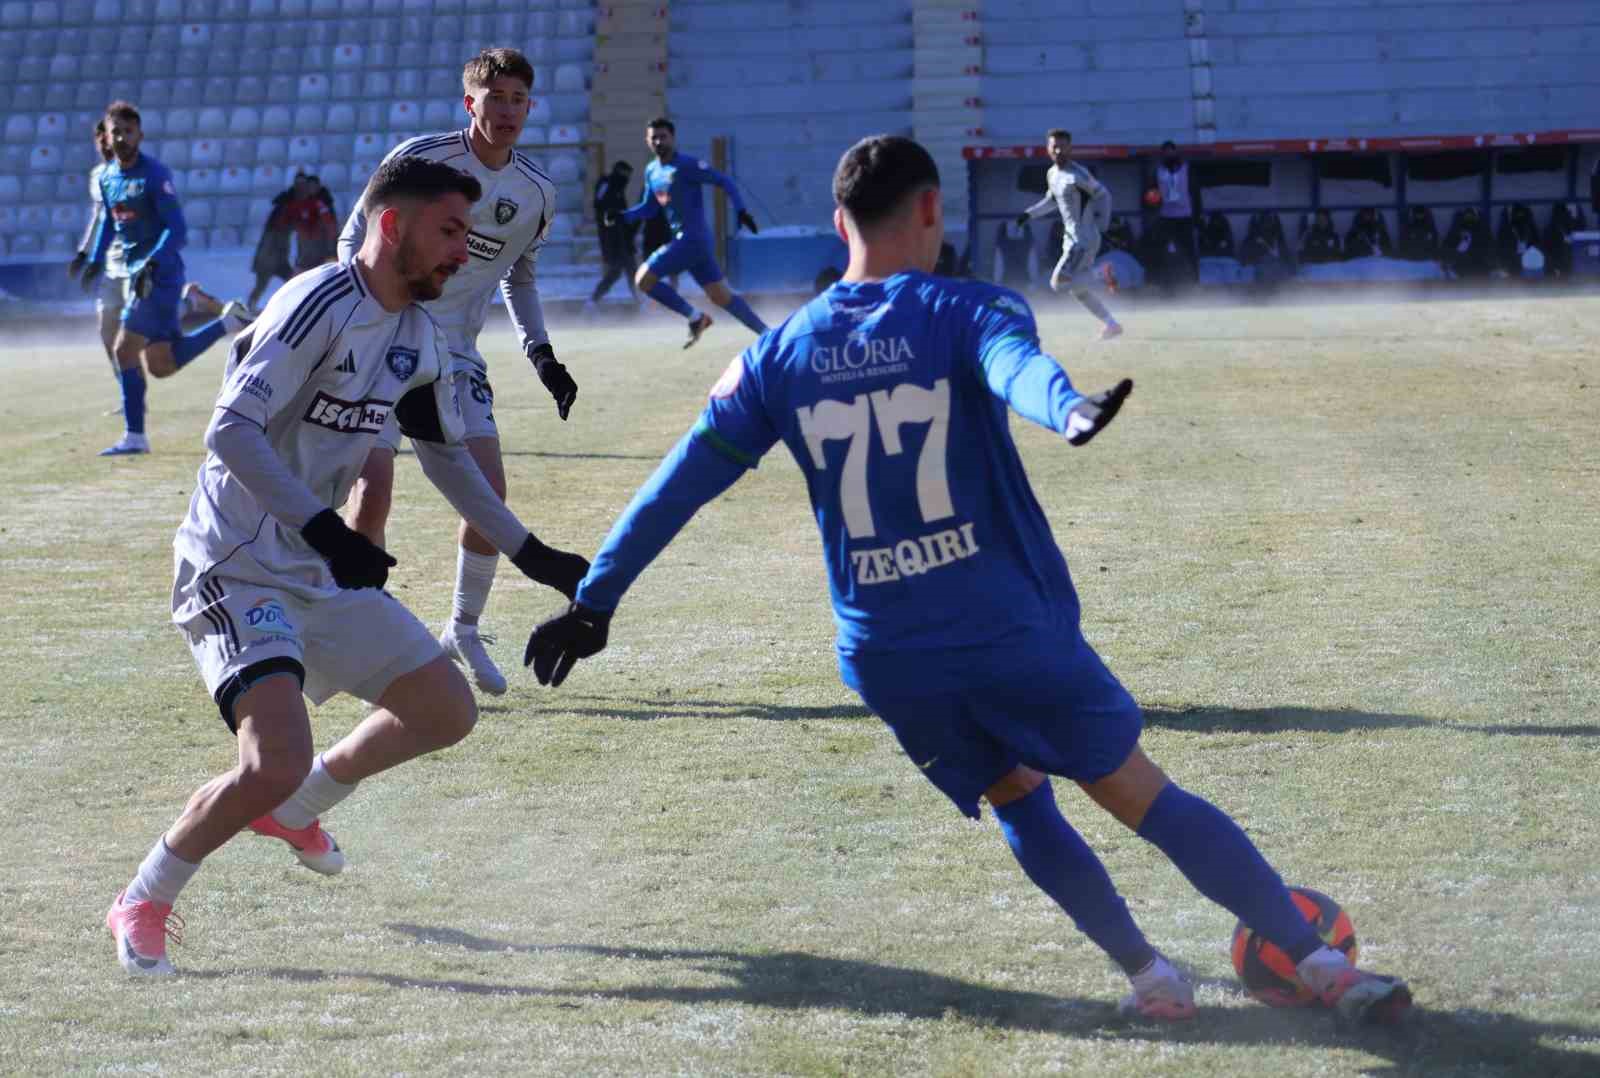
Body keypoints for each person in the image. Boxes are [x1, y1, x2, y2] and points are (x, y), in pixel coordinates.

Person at [523, 135, 1413, 1027]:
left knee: (1019, 796)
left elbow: (676, 484)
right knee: (1140, 793)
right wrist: (1065, 407)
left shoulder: (777, 355)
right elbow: (1014, 370)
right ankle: (1324, 969)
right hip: (1001, 629)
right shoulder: (967, 308)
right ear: (931, 211)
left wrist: (594, 602)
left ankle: (1151, 979)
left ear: (838, 225)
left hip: (886, 654)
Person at [103, 156, 591, 977]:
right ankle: (144, 897)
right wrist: (331, 533)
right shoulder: (317, 300)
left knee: (445, 708)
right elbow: (230, 432)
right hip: (237, 562)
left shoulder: (418, 335)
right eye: (448, 232)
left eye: (469, 238)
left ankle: (300, 808)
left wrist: (531, 552)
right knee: (270, 758)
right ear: (392, 225)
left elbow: (446, 457)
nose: (461, 254)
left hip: (315, 563)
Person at [338, 47, 579, 697]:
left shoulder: (535, 194)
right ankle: (366, 640)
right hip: (385, 336)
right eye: (493, 98)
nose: (506, 111)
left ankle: (462, 631)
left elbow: (520, 276)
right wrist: (357, 311)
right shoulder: (421, 161)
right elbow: (353, 234)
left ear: (530, 107)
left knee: (488, 492)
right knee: (372, 491)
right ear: (469, 102)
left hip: (456, 356)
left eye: (518, 100)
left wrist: (541, 353)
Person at [80, 101, 252, 457]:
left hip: (159, 277)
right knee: (161, 364)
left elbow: (178, 229)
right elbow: (111, 223)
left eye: (129, 131)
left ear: (140, 135)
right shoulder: (109, 177)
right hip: (137, 276)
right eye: (117, 132)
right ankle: (227, 323)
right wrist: (95, 259)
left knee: (123, 350)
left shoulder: (155, 175)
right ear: (108, 137)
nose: (123, 137)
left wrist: (152, 262)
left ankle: (135, 436)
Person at [615, 118, 768, 348]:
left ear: (673, 138)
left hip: (692, 239)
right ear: (647, 141)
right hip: (690, 244)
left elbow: (724, 180)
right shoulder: (652, 171)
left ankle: (696, 317)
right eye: (653, 137)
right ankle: (767, 334)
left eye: (663, 136)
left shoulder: (687, 165)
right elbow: (650, 207)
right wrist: (622, 216)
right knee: (720, 297)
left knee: (643, 279)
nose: (658, 141)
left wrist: (741, 210)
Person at [1014, 129, 1121, 340]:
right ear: (1047, 148)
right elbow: (1052, 201)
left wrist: (1103, 225)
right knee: (1077, 289)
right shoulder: (1052, 174)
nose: (1058, 150)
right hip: (1071, 239)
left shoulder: (1078, 175)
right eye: (1054, 145)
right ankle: (1111, 324)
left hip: (1082, 240)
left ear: (1070, 148)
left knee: (1058, 283)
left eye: (1062, 145)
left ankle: (1101, 273)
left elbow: (1104, 195)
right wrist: (1029, 214)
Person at [68, 120, 130, 413]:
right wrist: (84, 253)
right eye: (101, 139)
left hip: (137, 261)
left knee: (151, 339)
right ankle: (126, 396)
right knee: (107, 333)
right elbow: (99, 217)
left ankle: (192, 303)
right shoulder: (97, 176)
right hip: (109, 264)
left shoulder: (133, 173)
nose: (106, 143)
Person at [587, 159, 640, 306]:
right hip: (611, 237)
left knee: (624, 270)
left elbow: (621, 213)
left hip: (622, 237)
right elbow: (600, 207)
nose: (626, 179)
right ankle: (592, 301)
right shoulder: (607, 184)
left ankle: (593, 301)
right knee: (622, 270)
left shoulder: (618, 190)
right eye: (625, 175)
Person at [1152, 140, 1196, 279]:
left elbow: (1195, 192)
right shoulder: (1158, 171)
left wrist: (1197, 216)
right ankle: (1164, 280)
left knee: (1189, 249)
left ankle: (1193, 279)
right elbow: (1151, 192)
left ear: (1176, 152)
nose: (1169, 155)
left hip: (1185, 216)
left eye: (1171, 151)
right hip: (1166, 216)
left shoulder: (1186, 169)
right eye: (1166, 152)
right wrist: (1153, 203)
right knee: (1163, 249)